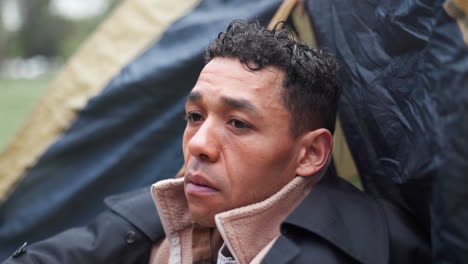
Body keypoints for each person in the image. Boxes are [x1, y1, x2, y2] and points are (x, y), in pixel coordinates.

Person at [3, 20, 430, 264]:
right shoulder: (164, 213)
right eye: (194, 116)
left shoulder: (361, 251)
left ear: (310, 154)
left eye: (239, 123)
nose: (198, 145)